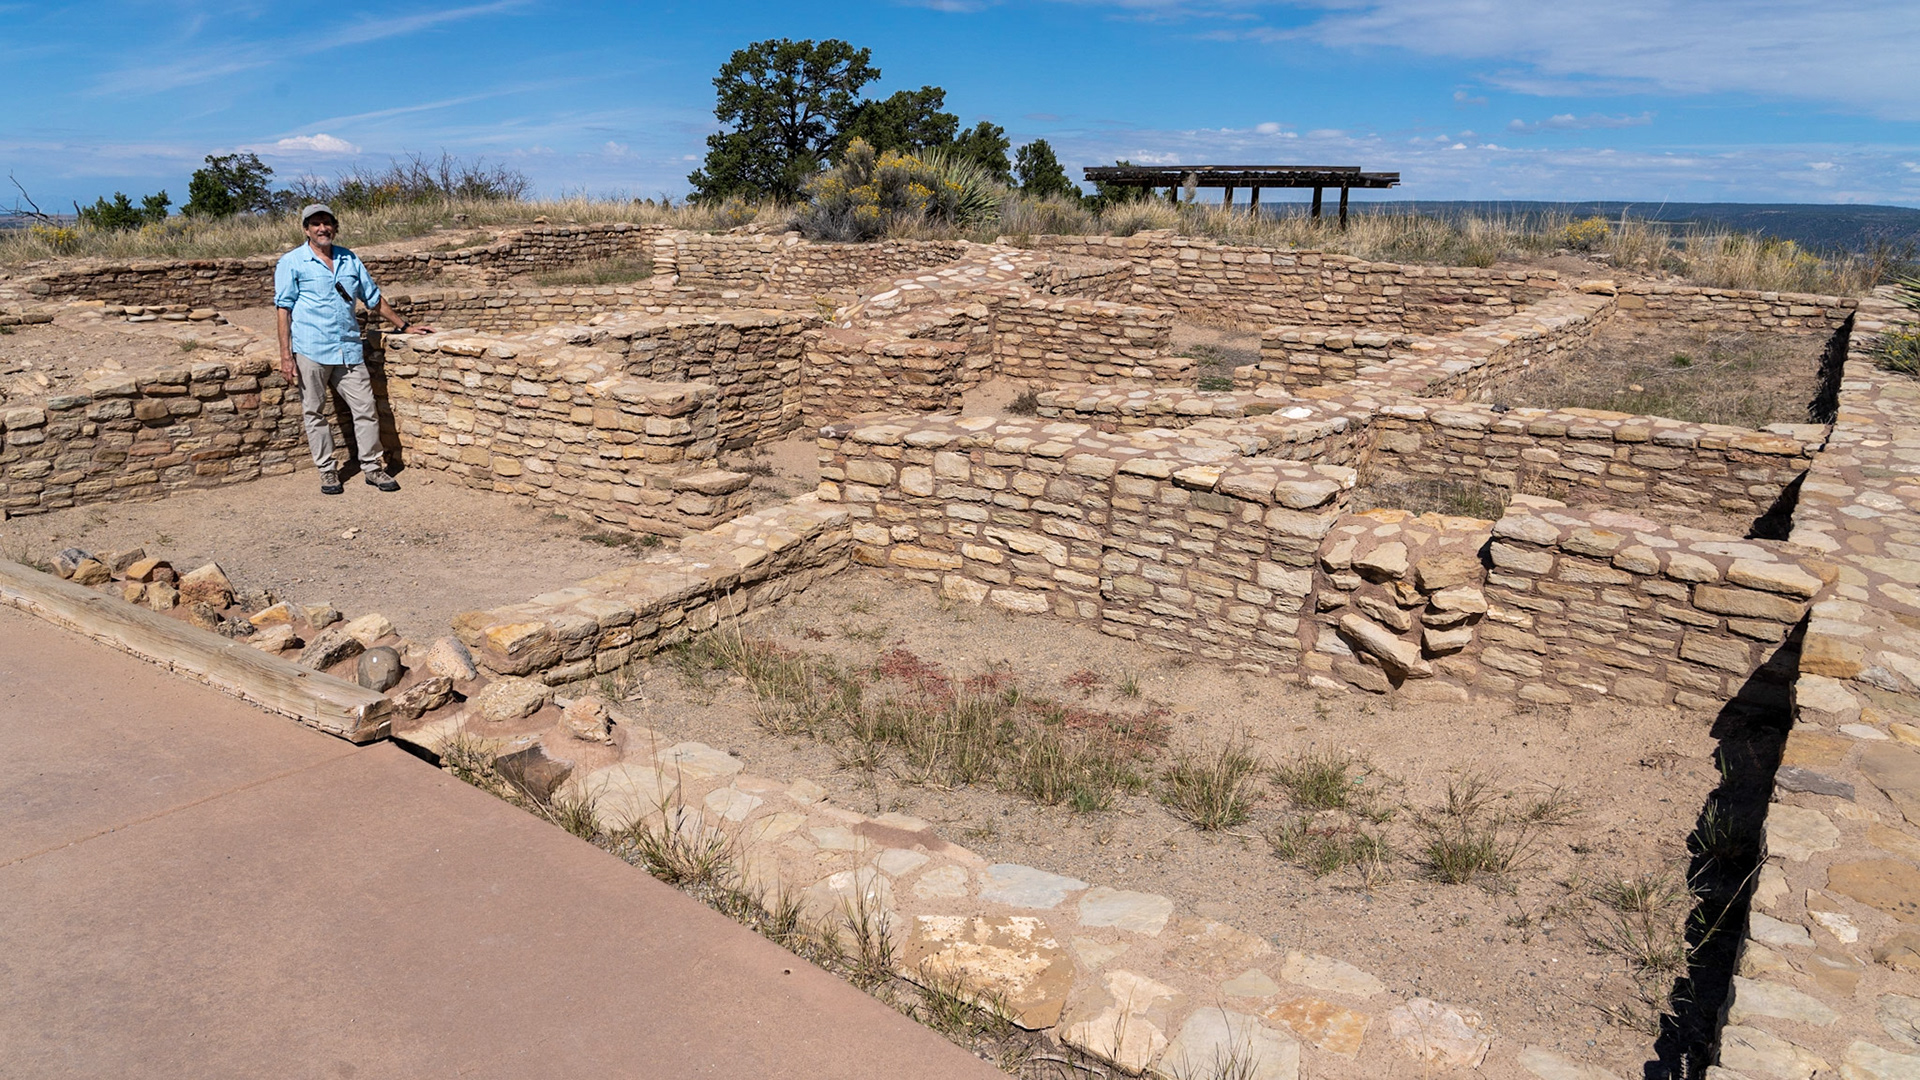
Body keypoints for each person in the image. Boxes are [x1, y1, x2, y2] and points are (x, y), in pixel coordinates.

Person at [274, 203, 432, 495]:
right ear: (306, 229)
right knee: (314, 412)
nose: (323, 229)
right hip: (311, 348)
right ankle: (327, 471)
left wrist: (404, 326)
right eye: (316, 224)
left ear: (335, 226)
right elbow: (284, 309)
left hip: (348, 348)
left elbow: (372, 297)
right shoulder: (292, 262)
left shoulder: (349, 259)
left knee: (366, 410)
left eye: (327, 223)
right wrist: (286, 356)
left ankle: (373, 468)